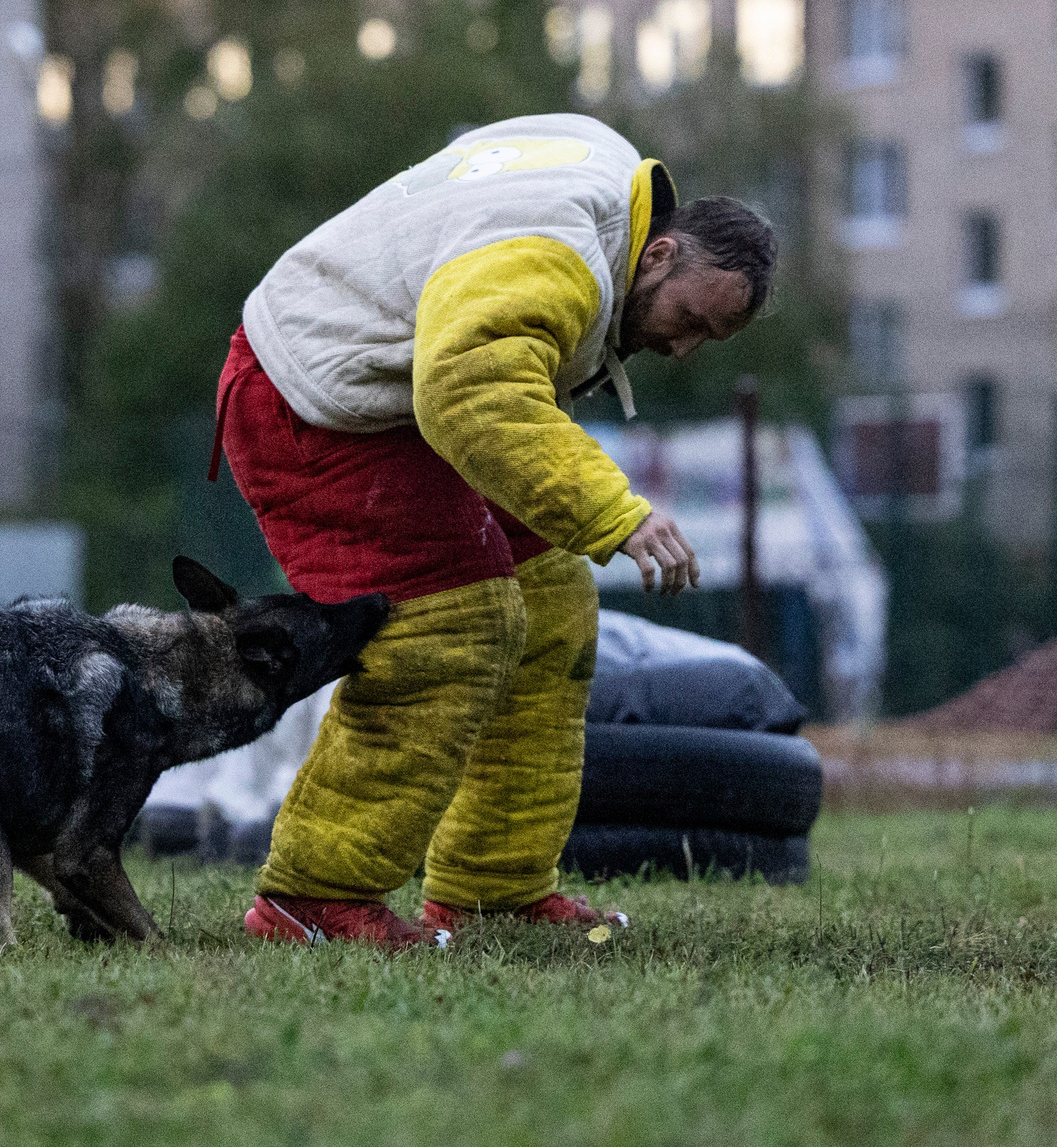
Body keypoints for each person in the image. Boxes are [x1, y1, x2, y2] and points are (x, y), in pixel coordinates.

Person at [215, 111, 775, 947]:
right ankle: (315, 894)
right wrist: (611, 511)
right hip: (309, 398)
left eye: (708, 338)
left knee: (550, 603)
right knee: (450, 623)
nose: (685, 348)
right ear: (658, 253)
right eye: (691, 319)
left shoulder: (606, 172)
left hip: (393, 392)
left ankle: (494, 886)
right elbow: (472, 385)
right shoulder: (565, 260)